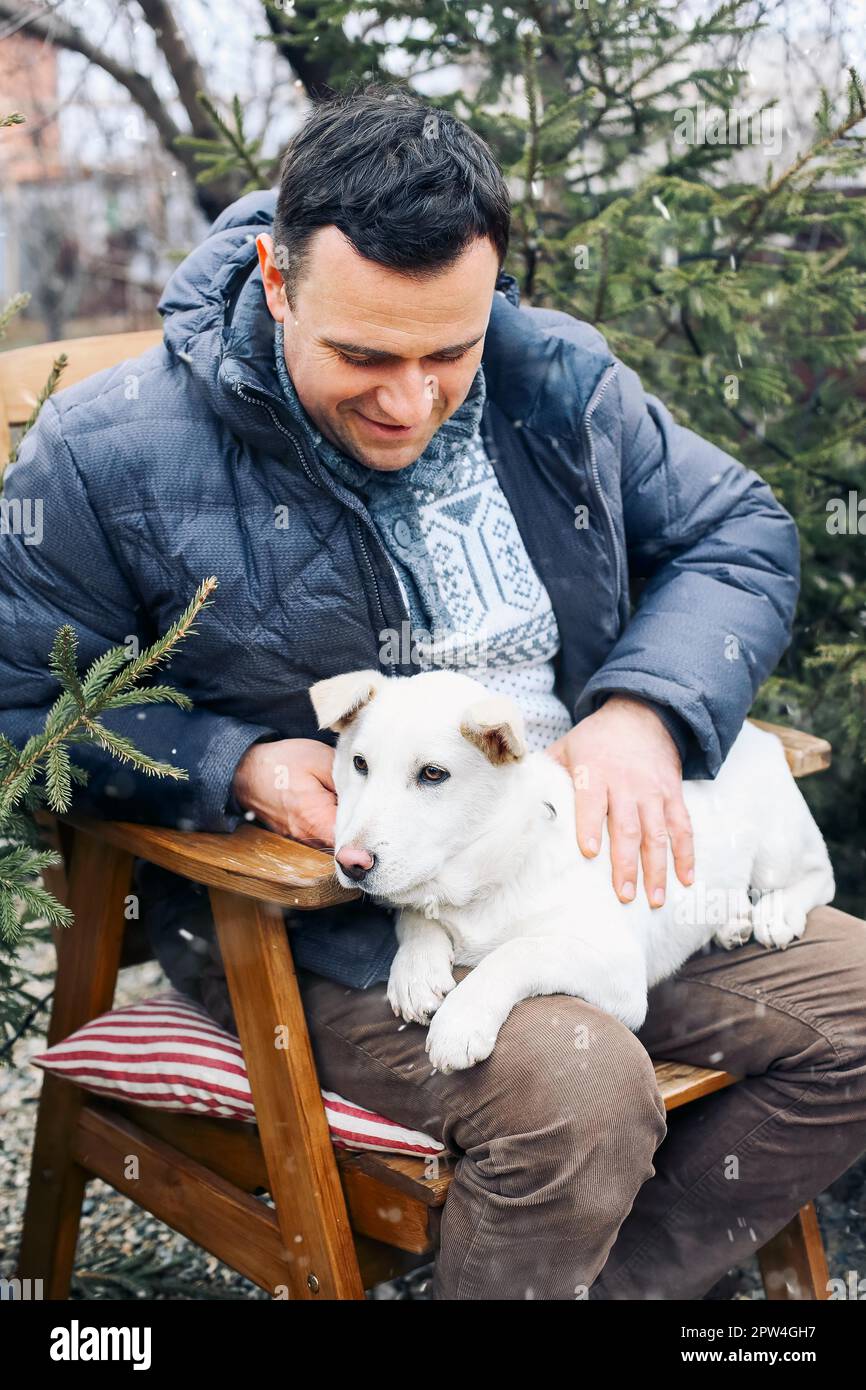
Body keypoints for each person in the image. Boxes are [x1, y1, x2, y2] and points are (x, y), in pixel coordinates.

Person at [2, 86, 864, 1301]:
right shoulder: (106, 452)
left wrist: (644, 709)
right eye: (363, 356)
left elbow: (738, 533)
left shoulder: (557, 376)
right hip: (335, 928)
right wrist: (230, 763)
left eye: (446, 353)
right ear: (277, 275)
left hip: (596, 877)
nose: (409, 402)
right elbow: (22, 704)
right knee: (577, 1094)